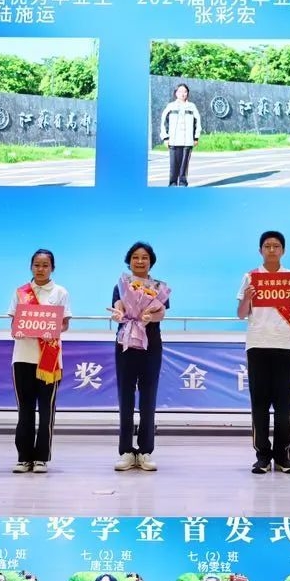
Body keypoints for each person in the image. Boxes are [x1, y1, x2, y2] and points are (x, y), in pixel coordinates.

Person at [237, 230, 290, 475]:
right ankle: (262, 456)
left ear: (283, 250)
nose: (272, 250)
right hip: (258, 345)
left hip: (285, 345)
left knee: (284, 406)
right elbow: (241, 314)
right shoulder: (251, 277)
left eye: (276, 246)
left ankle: (283, 456)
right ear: (260, 250)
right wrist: (246, 298)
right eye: (267, 246)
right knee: (259, 404)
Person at [8, 248, 71, 474]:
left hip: (49, 360)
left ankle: (41, 458)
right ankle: (24, 457)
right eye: (37, 265)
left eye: (45, 265)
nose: (41, 269)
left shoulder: (60, 292)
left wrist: (50, 330)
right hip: (22, 358)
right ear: (31, 267)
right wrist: (18, 330)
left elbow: (64, 324)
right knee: (25, 410)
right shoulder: (21, 292)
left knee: (46, 411)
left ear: (52, 268)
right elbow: (13, 323)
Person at [110, 241, 169, 472]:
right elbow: (118, 307)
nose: (140, 261)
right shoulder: (121, 285)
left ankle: (145, 451)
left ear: (151, 261)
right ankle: (126, 451)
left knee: (148, 398)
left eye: (144, 257)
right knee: (125, 397)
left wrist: (149, 318)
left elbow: (161, 313)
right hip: (125, 344)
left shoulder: (159, 287)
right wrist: (118, 314)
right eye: (135, 257)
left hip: (151, 345)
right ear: (129, 261)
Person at [160, 83, 201, 186]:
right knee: (173, 164)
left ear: (188, 94)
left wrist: (196, 137)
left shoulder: (192, 106)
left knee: (184, 164)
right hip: (173, 140)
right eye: (180, 91)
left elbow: (197, 122)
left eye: (185, 92)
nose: (183, 94)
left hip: (187, 141)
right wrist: (165, 137)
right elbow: (163, 122)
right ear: (176, 93)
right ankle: (172, 184)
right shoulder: (171, 106)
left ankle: (183, 183)